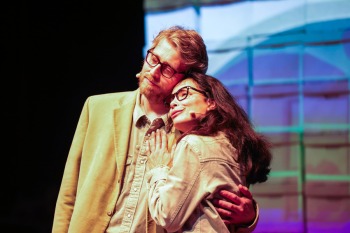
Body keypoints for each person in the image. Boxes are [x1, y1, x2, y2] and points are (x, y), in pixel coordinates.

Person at [52, 25, 258, 233]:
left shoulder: (198, 135)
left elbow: (222, 203)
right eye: (153, 58)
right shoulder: (97, 108)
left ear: (187, 78)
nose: (154, 71)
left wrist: (249, 218)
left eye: (167, 69)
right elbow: (68, 196)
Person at [145, 73, 272, 232]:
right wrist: (250, 219)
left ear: (211, 102)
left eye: (183, 94)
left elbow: (167, 217)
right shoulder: (233, 145)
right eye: (171, 99)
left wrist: (158, 168)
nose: (173, 103)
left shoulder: (194, 145)